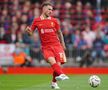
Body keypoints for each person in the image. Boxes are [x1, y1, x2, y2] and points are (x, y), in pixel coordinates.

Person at [25, 1, 69, 89]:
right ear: (44, 9)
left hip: (57, 45)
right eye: (49, 9)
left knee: (58, 65)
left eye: (52, 10)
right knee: (52, 62)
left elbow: (59, 33)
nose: (50, 11)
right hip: (46, 47)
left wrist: (63, 44)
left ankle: (53, 83)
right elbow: (31, 33)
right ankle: (61, 74)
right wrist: (28, 31)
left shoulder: (54, 20)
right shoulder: (36, 20)